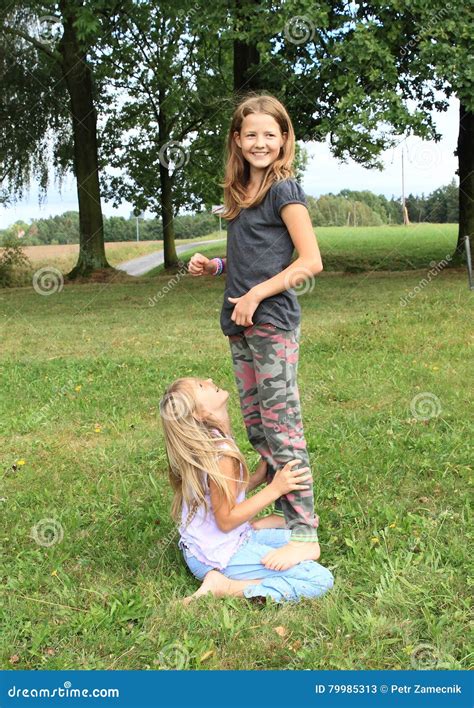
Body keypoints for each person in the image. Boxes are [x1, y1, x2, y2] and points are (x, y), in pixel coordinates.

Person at [188, 93, 324, 571]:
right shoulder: (241, 195)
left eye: (271, 134)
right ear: (237, 140)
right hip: (240, 325)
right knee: (257, 427)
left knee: (283, 429)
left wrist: (254, 296)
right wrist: (218, 265)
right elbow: (255, 257)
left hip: (271, 324)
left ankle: (305, 534)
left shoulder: (285, 191)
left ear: (284, 140)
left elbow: (310, 262)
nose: (261, 142)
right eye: (251, 135)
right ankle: (286, 518)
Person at [159, 376, 334, 604]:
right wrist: (275, 489)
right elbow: (226, 520)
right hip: (217, 555)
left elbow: (220, 495)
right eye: (201, 385)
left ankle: (256, 529)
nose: (210, 379)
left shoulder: (213, 440)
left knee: (302, 537)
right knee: (318, 579)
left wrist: (255, 480)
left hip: (222, 541)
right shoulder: (220, 455)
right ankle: (225, 586)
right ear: (197, 414)